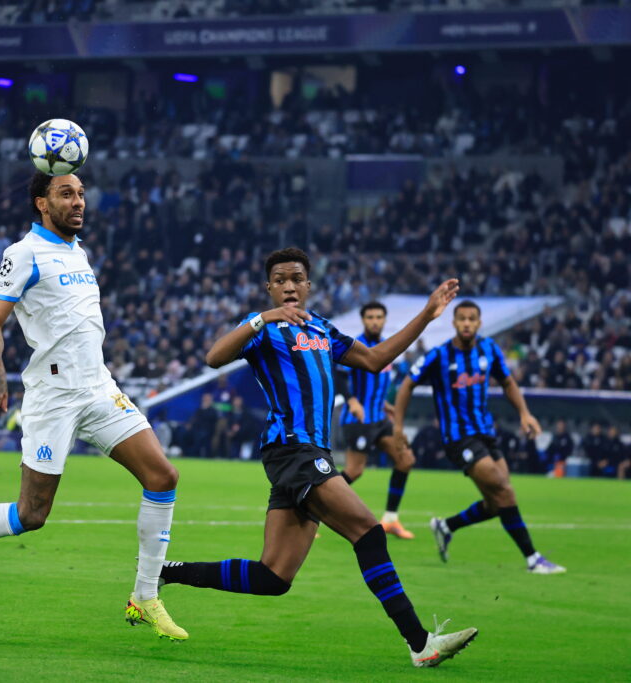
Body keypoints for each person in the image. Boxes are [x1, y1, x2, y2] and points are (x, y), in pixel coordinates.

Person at [0, 172, 187, 641]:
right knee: (32, 514)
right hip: (53, 398)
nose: (78, 203)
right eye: (66, 194)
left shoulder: (79, 252)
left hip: (98, 388)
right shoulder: (23, 253)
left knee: (163, 477)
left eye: (81, 194)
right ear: (42, 203)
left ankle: (145, 596)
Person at [157, 247, 476, 667]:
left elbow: (376, 360)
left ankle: (165, 571)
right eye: (280, 280)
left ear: (308, 285)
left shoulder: (323, 329)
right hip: (293, 449)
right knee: (368, 530)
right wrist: (260, 318)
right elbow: (214, 357)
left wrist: (427, 316)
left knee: (273, 577)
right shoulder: (263, 329)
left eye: (297, 278)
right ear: (269, 288)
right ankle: (420, 643)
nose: (289, 285)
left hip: (310, 453)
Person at [393, 300, 565, 574]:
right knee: (505, 491)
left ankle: (447, 526)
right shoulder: (439, 355)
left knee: (498, 503)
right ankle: (533, 559)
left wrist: (524, 413)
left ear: (479, 322)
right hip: (458, 439)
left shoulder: (489, 349)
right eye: (461, 318)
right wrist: (398, 426)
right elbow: (407, 384)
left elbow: (508, 382)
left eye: (472, 319)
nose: (467, 323)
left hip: (486, 434)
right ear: (454, 322)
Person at [335, 301, 417, 539]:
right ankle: (311, 511)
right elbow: (340, 376)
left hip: (379, 418)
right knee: (355, 470)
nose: (374, 321)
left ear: (384, 320)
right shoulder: (355, 346)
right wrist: (351, 400)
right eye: (370, 316)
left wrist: (385, 404)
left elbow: (378, 382)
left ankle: (391, 519)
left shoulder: (385, 347)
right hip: (357, 418)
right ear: (363, 320)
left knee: (405, 460)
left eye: (378, 317)